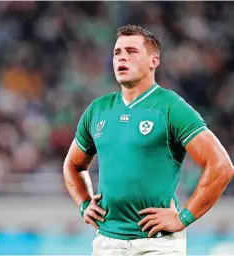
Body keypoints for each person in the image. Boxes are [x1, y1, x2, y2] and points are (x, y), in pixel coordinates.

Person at [63, 24, 234, 256]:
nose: (122, 58)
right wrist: (84, 204)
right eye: (117, 53)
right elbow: (73, 165)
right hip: (107, 242)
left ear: (154, 61)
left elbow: (221, 166)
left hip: (156, 244)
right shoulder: (98, 110)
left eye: (132, 52)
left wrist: (184, 217)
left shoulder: (171, 106)